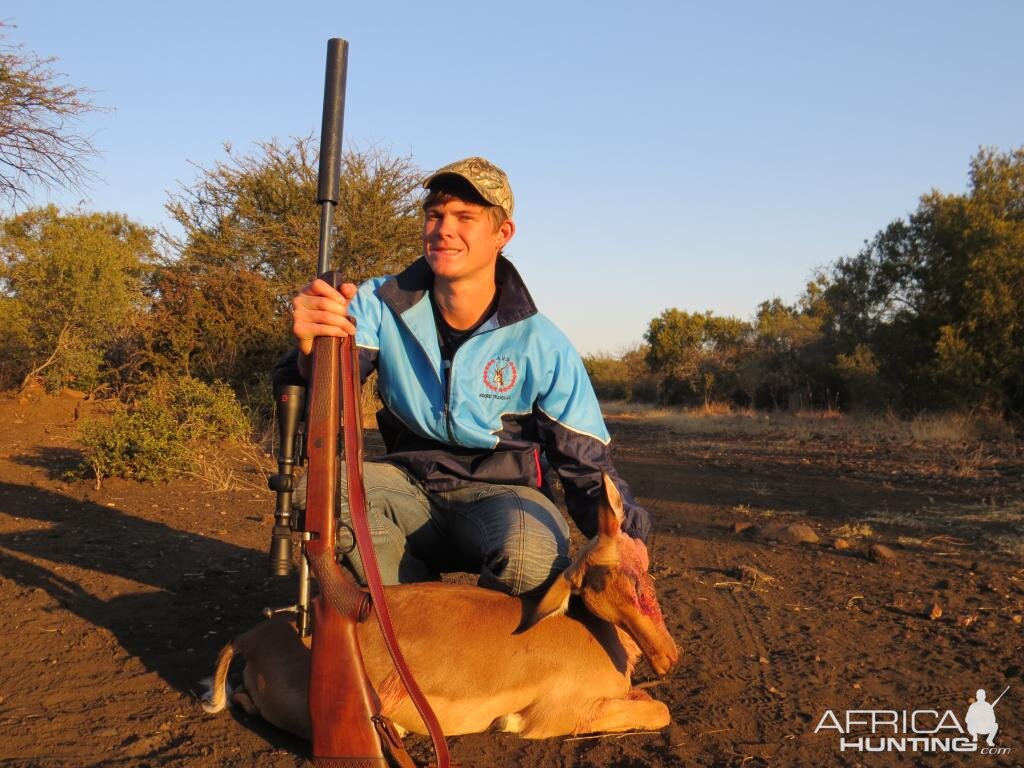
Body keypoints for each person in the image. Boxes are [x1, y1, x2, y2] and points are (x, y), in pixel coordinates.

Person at [277, 156, 650, 596]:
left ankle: (479, 644)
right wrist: (310, 350)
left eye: (465, 217)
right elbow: (321, 399)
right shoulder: (374, 305)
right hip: (408, 485)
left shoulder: (544, 345)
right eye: (435, 215)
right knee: (317, 494)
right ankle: (410, 618)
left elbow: (587, 466)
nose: (443, 229)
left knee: (533, 555)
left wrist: (629, 539)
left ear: (502, 234)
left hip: (505, 495)